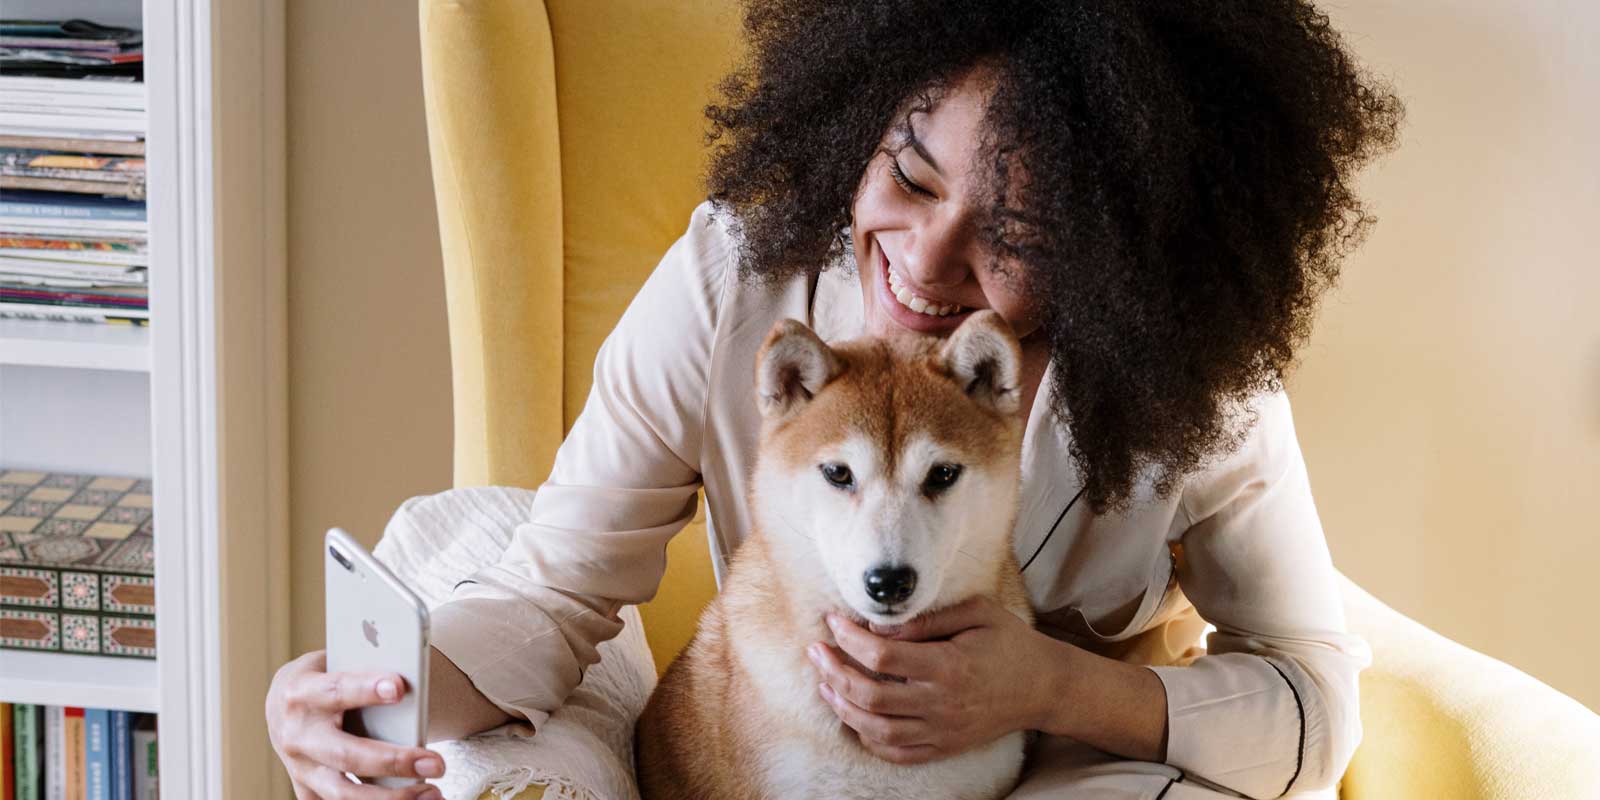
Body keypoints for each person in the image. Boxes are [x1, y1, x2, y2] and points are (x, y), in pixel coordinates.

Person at [267, 1, 1404, 797]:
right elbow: (552, 589)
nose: (923, 256)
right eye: (908, 176)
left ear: (1118, 256)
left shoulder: (1195, 379)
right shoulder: (736, 278)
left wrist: (1047, 683)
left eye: (1018, 237)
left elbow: (1311, 696)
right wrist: (363, 702)